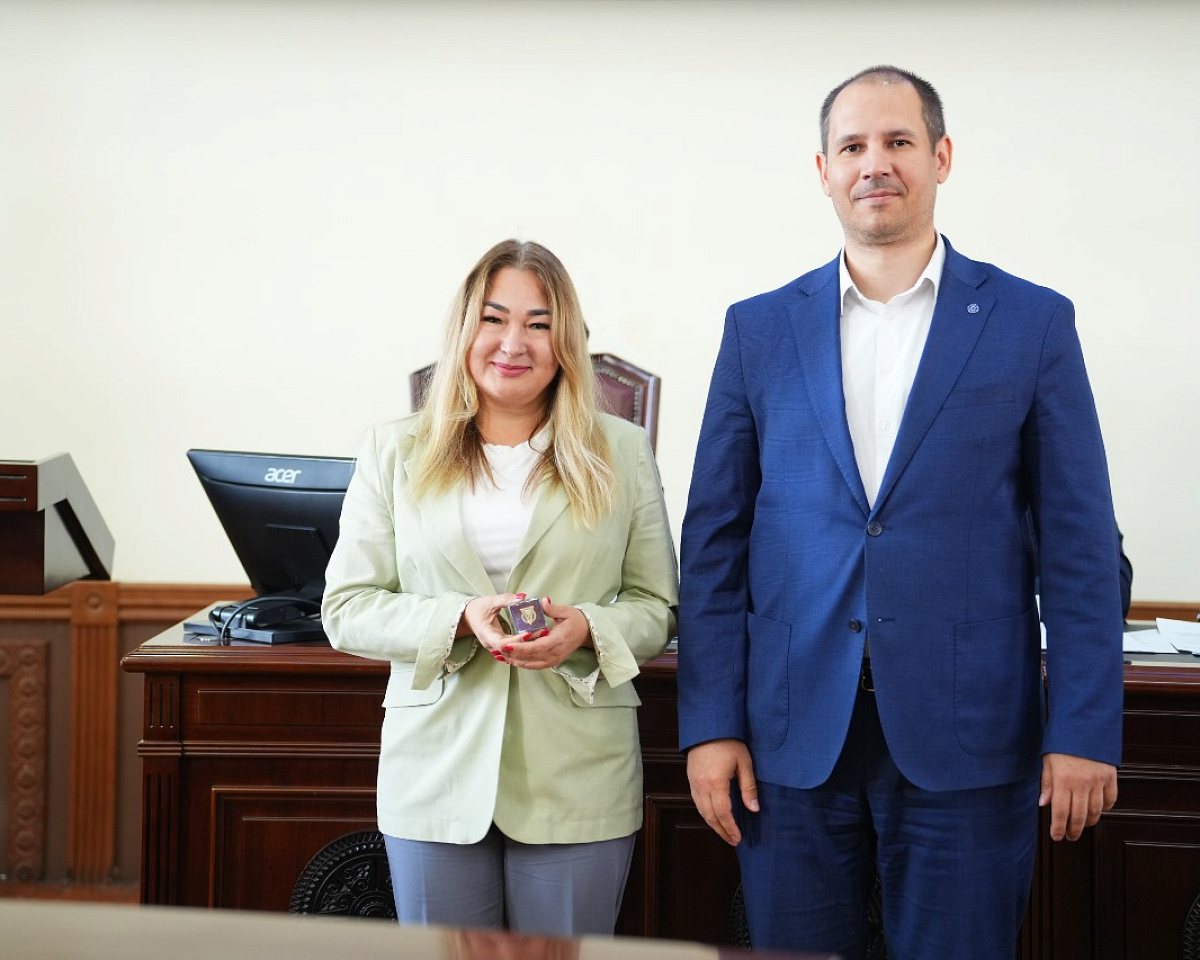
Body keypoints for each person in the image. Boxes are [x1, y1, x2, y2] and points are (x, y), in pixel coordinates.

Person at [677, 66, 1124, 960]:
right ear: (824, 170)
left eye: (898, 141)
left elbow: (1080, 547)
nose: (873, 163)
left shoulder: (1032, 322)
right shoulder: (757, 330)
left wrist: (1083, 728)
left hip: (971, 738)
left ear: (941, 157)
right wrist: (712, 725)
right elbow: (715, 544)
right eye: (852, 146)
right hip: (790, 742)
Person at [322, 239, 678, 936]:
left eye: (539, 324)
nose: (514, 343)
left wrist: (586, 628)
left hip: (578, 771)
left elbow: (656, 606)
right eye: (494, 319)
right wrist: (459, 617)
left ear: (565, 342)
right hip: (435, 769)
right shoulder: (394, 450)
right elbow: (347, 608)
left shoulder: (621, 450)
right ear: (465, 330)